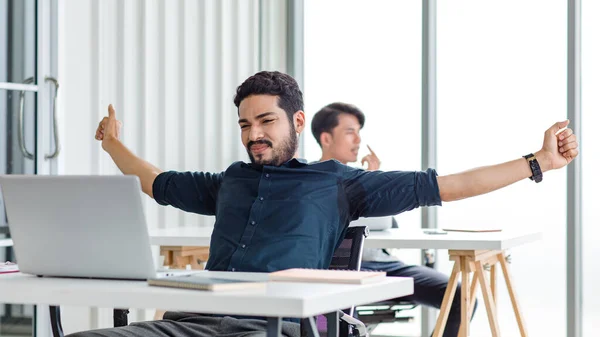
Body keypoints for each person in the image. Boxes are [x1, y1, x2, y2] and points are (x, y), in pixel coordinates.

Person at [78, 71, 578, 337]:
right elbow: (155, 181)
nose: (254, 135)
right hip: (188, 321)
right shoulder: (228, 181)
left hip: (273, 328)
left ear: (296, 123)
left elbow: (449, 185)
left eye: (266, 122)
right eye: (245, 125)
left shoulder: (339, 183)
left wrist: (537, 162)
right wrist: (112, 145)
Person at [311, 102, 474, 336]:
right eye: (350, 132)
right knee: (340, 316)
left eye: (359, 132)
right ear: (326, 139)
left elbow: (386, 227)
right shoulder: (310, 182)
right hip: (345, 269)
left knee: (461, 296)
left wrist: (373, 180)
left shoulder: (363, 180)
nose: (358, 140)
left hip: (386, 265)